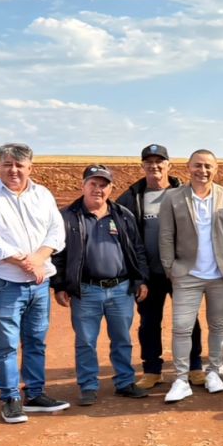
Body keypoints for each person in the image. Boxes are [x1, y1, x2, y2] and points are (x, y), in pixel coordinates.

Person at [0, 142, 68, 423]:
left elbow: (56, 231)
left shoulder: (43, 194)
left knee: (36, 340)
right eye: (7, 165)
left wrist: (39, 259)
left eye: (19, 165)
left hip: (39, 282)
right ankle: (11, 398)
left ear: (30, 167)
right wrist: (24, 262)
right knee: (7, 343)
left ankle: (35, 393)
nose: (13, 170)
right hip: (6, 281)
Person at [51, 164, 151, 405]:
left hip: (121, 288)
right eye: (93, 184)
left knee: (122, 338)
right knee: (85, 340)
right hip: (86, 290)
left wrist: (141, 279)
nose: (98, 189)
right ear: (83, 185)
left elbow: (137, 249)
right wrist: (61, 285)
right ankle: (88, 386)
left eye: (103, 185)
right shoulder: (67, 217)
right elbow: (58, 254)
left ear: (111, 188)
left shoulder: (122, 215)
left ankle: (125, 382)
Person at [158, 150, 223, 403]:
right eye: (197, 165)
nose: (203, 170)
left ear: (216, 169)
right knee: (182, 328)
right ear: (188, 167)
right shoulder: (172, 198)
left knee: (219, 325)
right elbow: (165, 236)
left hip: (222, 275)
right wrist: (170, 268)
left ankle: (214, 372)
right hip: (186, 274)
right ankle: (181, 379)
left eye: (208, 166)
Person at [115, 144, 205, 390]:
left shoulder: (185, 193)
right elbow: (125, 240)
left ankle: (194, 366)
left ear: (169, 165)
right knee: (149, 323)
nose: (154, 166)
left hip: (181, 272)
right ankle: (152, 370)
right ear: (142, 165)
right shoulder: (130, 198)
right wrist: (136, 275)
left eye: (159, 161)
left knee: (188, 320)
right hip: (148, 274)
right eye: (149, 162)